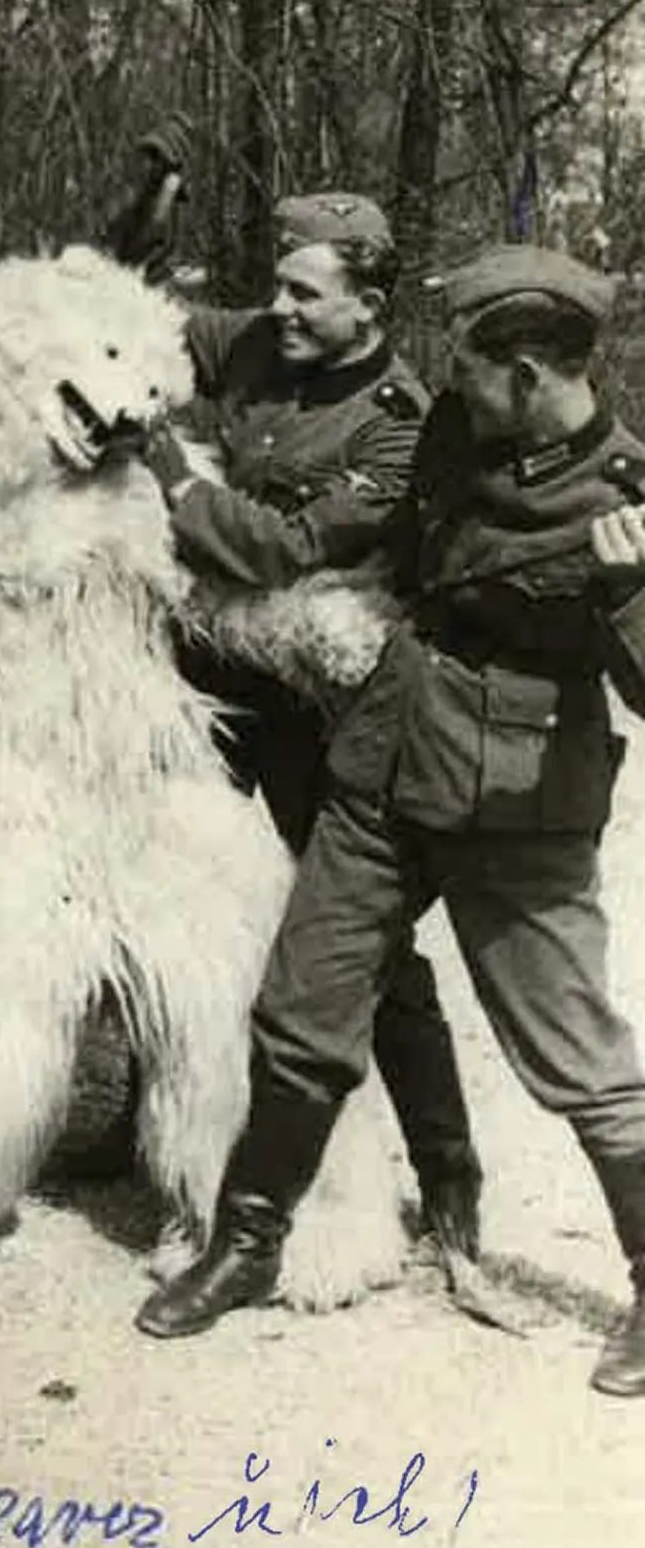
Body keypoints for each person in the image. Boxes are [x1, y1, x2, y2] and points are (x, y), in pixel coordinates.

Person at [134, 243, 645, 1398]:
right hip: (385, 755)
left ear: (528, 372)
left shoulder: (626, 494)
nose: (444, 385)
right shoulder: (458, 436)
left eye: (470, 367)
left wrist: (629, 593)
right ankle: (249, 1241)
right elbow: (387, 553)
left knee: (575, 1053)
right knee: (302, 1002)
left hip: (516, 799)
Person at [111, 171, 483, 1264]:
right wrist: (143, 223)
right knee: (175, 897)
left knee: (367, 940)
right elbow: (144, 317)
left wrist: (174, 467)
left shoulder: (402, 428)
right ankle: (147, 1122)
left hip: (320, 708)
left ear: (368, 305)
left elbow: (268, 552)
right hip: (211, 680)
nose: (279, 305)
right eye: (276, 284)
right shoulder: (266, 344)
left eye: (305, 291)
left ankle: (448, 1167)